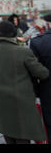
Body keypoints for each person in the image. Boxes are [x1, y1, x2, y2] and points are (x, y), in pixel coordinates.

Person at [0, 21, 49, 144]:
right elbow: (42, 73)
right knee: (22, 134)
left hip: (0, 100)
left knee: (7, 131)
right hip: (20, 102)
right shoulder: (23, 52)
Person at [30, 13, 51, 141]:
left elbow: (34, 72)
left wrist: (37, 92)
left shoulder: (38, 42)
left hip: (48, 91)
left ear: (47, 24)